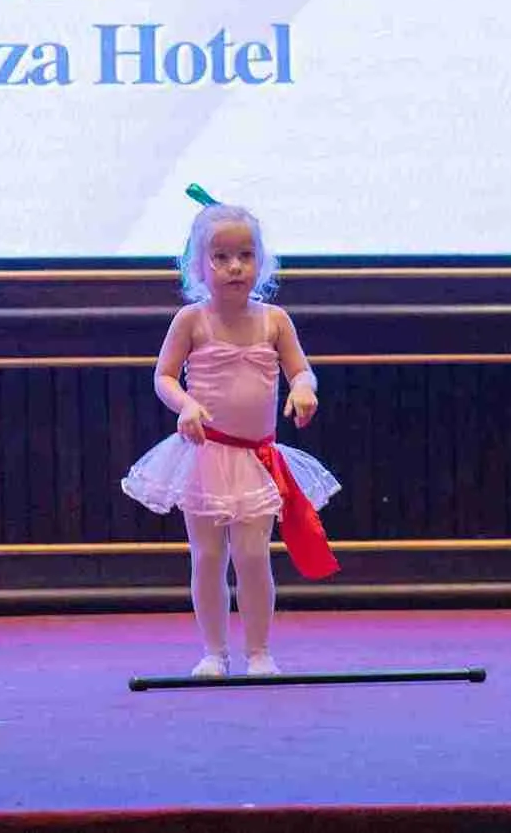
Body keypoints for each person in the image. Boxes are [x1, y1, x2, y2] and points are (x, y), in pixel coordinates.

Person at [121, 194, 338, 675]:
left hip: (257, 461)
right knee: (208, 557)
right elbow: (163, 377)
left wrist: (304, 388)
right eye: (220, 257)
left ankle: (259, 651)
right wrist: (186, 404)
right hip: (204, 457)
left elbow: (302, 370)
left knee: (254, 556)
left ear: (262, 263)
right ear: (197, 267)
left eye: (245, 255)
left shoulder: (274, 321)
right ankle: (213, 652)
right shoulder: (191, 320)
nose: (235, 266)